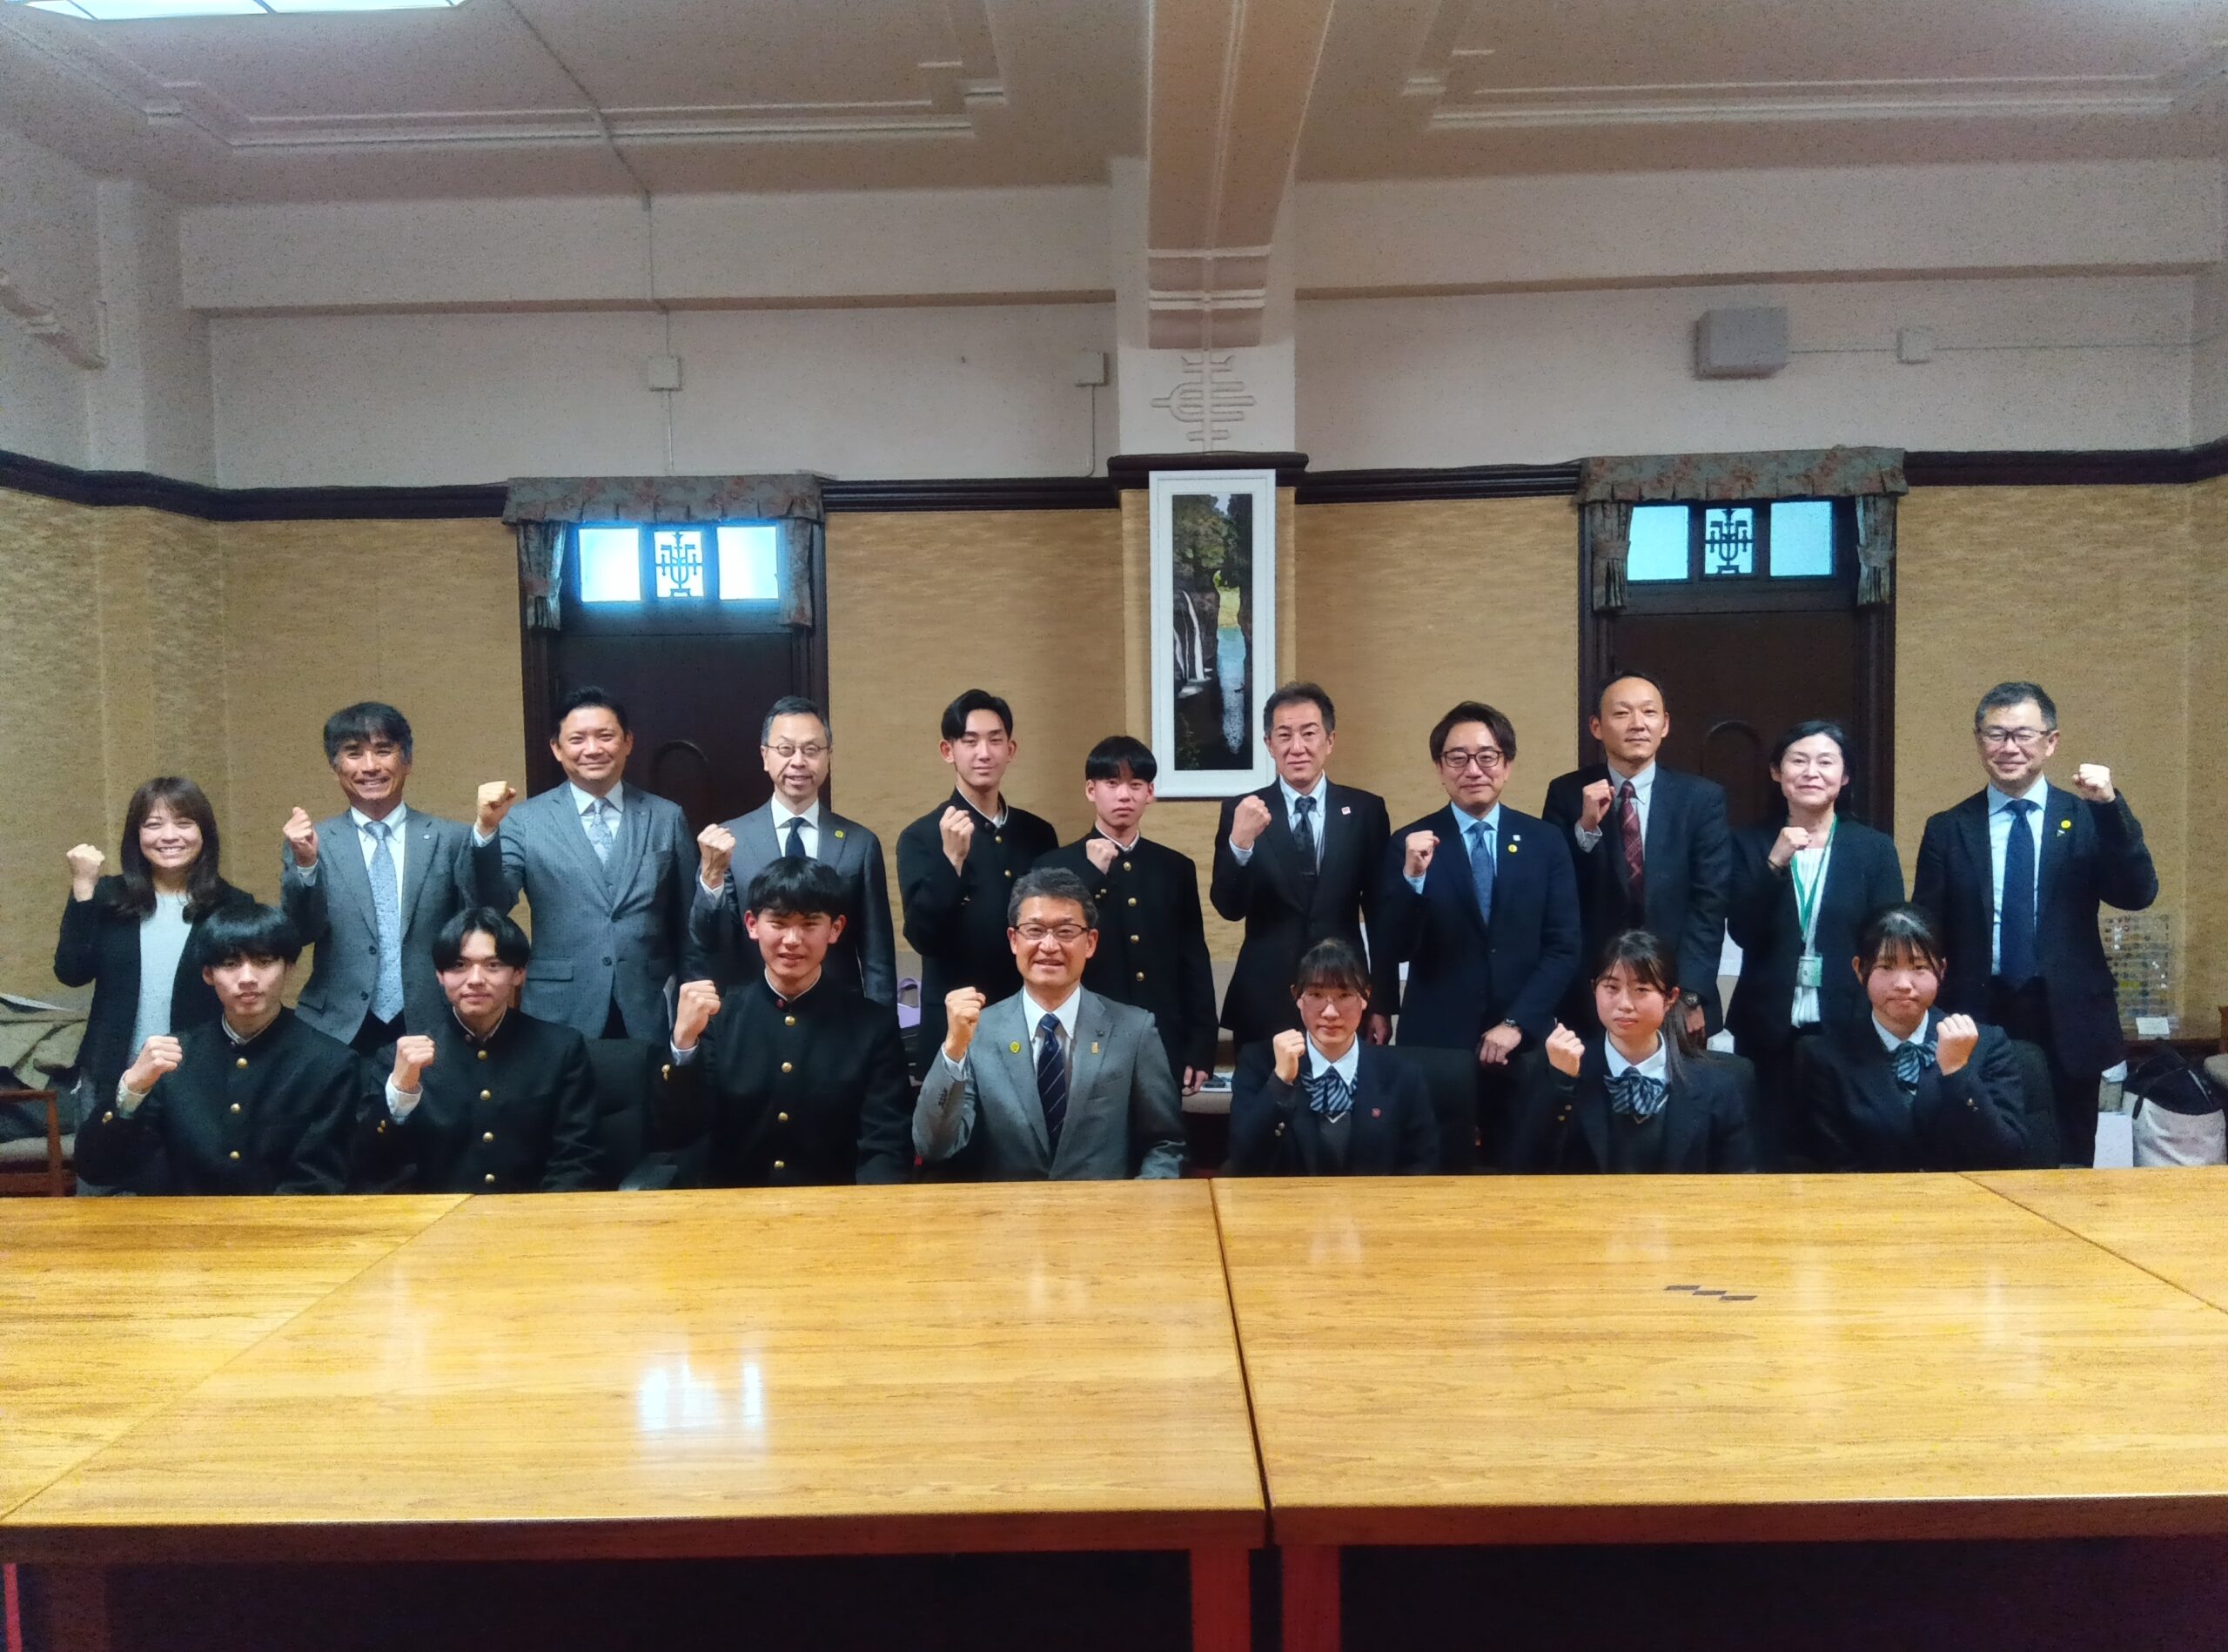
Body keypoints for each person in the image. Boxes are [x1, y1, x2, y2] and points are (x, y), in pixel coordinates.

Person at [1912, 682, 2158, 1166]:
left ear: (2051, 742)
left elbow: (2137, 893)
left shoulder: (2086, 816)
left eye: (2023, 734)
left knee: (2069, 1161)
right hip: (1977, 1012)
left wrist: (2110, 808)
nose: (2009, 747)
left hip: (2068, 1016)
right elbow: (1927, 929)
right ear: (1979, 741)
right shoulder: (1948, 827)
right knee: (1975, 1151)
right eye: (1996, 734)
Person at [1379, 701, 1579, 1162]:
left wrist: (1515, 1024)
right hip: (1437, 1045)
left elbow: (1564, 947)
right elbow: (1394, 947)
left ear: (1507, 766)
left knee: (1524, 1170)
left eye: (1487, 757)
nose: (1473, 770)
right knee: (1435, 1172)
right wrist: (1413, 878)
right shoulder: (1410, 844)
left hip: (1524, 1043)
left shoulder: (1545, 842)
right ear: (1439, 769)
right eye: (1458, 758)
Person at [72, 904, 369, 1195]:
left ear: (288, 968)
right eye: (230, 964)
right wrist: (131, 1089)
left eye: (264, 962)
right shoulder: (174, 1058)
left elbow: (317, 1182)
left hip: (283, 1225)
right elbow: (97, 1170)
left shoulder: (330, 1062)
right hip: (183, 1224)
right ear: (208, 974)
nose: (248, 978)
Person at [915, 867, 1185, 1180]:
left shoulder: (1134, 1030)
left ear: (1090, 942)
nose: (1049, 945)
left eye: (1065, 932)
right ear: (1014, 940)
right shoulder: (978, 1031)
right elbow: (933, 1146)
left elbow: (1165, 1144)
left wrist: (1137, 1202)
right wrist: (953, 1050)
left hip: (1103, 1209)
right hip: (1008, 1209)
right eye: (1034, 930)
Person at [662, 858, 915, 1187]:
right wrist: (683, 1044)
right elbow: (680, 1131)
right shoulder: (718, 1017)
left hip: (836, 1207)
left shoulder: (872, 1026)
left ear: (835, 929)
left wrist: (869, 1212)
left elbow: (886, 1146)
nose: (793, 939)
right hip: (733, 1206)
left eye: (809, 924)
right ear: (752, 925)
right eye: (779, 923)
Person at [1724, 721, 1905, 1165]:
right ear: (1776, 772)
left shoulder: (1873, 849)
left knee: (1842, 1153)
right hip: (1767, 1027)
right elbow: (1743, 930)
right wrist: (1774, 864)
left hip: (1849, 1027)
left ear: (1845, 777)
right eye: (1798, 761)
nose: (1811, 772)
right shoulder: (1748, 843)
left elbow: (1887, 941)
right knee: (1770, 1152)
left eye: (1826, 762)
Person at [470, 686, 694, 1042]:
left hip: (648, 1004)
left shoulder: (666, 817)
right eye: (577, 739)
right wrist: (486, 831)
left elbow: (688, 921)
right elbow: (494, 904)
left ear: (628, 742)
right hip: (559, 1005)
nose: (592, 749)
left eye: (605, 736)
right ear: (557, 748)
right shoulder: (524, 820)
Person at [37, 777, 249, 1153]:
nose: (169, 836)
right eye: (153, 825)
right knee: (103, 1178)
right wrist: (83, 888)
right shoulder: (108, 896)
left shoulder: (232, 904)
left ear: (204, 833)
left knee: (196, 1183)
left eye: (184, 823)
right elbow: (71, 972)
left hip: (201, 1075)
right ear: (136, 836)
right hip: (112, 1072)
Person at [354, 907, 601, 1194]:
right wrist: (400, 1093)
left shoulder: (561, 1050)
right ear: (440, 975)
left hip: (532, 1215)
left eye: (493, 965)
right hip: (437, 1217)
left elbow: (577, 1161)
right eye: (459, 965)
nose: (475, 979)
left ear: (519, 973)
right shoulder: (399, 1058)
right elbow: (370, 1168)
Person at [279, 702, 478, 1056]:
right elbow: (299, 934)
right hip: (337, 1026)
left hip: (432, 1022)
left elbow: (477, 927)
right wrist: (306, 864)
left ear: (407, 761)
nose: (370, 766)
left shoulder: (451, 839)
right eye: (353, 753)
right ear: (335, 768)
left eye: (384, 750)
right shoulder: (312, 842)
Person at [1542, 673, 1732, 1041]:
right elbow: (1556, 892)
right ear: (1596, 727)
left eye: (1649, 712)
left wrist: (1691, 993)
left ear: (1665, 725)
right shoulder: (1567, 793)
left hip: (1675, 993)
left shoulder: (1701, 798)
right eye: (1622, 713)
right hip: (1591, 992)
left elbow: (1710, 902)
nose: (1637, 724)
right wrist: (1585, 828)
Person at [1211, 682, 1393, 1046]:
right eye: (1284, 735)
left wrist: (1382, 1002)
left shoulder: (1365, 811)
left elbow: (1381, 914)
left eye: (1309, 734)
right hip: (1265, 995)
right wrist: (1240, 843)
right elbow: (1229, 908)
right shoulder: (1242, 810)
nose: (1297, 747)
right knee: (1265, 1085)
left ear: (1330, 740)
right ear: (1269, 744)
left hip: (1344, 991)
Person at [684, 695, 896, 1009]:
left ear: (828, 757)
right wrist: (711, 879)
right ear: (765, 756)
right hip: (754, 1012)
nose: (798, 761)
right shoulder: (730, 840)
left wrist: (882, 1027)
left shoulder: (859, 844)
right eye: (786, 749)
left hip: (838, 1014)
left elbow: (877, 957)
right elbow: (708, 940)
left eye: (811, 750)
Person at [1037, 735, 1217, 1097]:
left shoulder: (1175, 867)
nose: (1124, 795)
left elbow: (1193, 958)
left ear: (1150, 793)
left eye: (1136, 785)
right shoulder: (1054, 865)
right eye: (1112, 783)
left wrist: (1201, 1045)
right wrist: (1092, 876)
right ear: (1091, 790)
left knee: (1162, 1128)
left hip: (1160, 1037)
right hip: (1083, 1036)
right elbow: (1050, 947)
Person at [1800, 903, 2029, 1173]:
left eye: (1919, 967)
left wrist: (1958, 1073)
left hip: (1965, 1198)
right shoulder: (1825, 1056)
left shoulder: (1985, 1044)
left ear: (1941, 970)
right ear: (1860, 970)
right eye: (1886, 967)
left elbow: (2008, 1157)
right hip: (1867, 1199)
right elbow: (1830, 1167)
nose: (1903, 984)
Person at [896, 689, 1059, 1064]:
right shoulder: (921, 835)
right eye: (970, 741)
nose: (984, 753)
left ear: (1011, 750)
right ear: (948, 751)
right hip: (958, 1022)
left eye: (995, 740)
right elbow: (922, 937)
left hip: (1029, 1015)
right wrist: (951, 862)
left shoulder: (1037, 833)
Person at [1507, 930, 1755, 1174]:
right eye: (1611, 988)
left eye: (1641, 990)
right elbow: (1524, 1173)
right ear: (1594, 989)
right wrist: (1561, 1085)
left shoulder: (1718, 1084)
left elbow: (1740, 1184)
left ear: (1670, 998)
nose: (1624, 1004)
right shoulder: (1550, 1069)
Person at [1227, 939, 1438, 1176]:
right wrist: (1280, 1083)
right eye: (1316, 994)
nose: (1330, 1012)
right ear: (1297, 996)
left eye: (1344, 995)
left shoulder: (1402, 1074)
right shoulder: (1259, 1063)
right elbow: (1243, 1163)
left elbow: (1421, 1169)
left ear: (1365, 997)